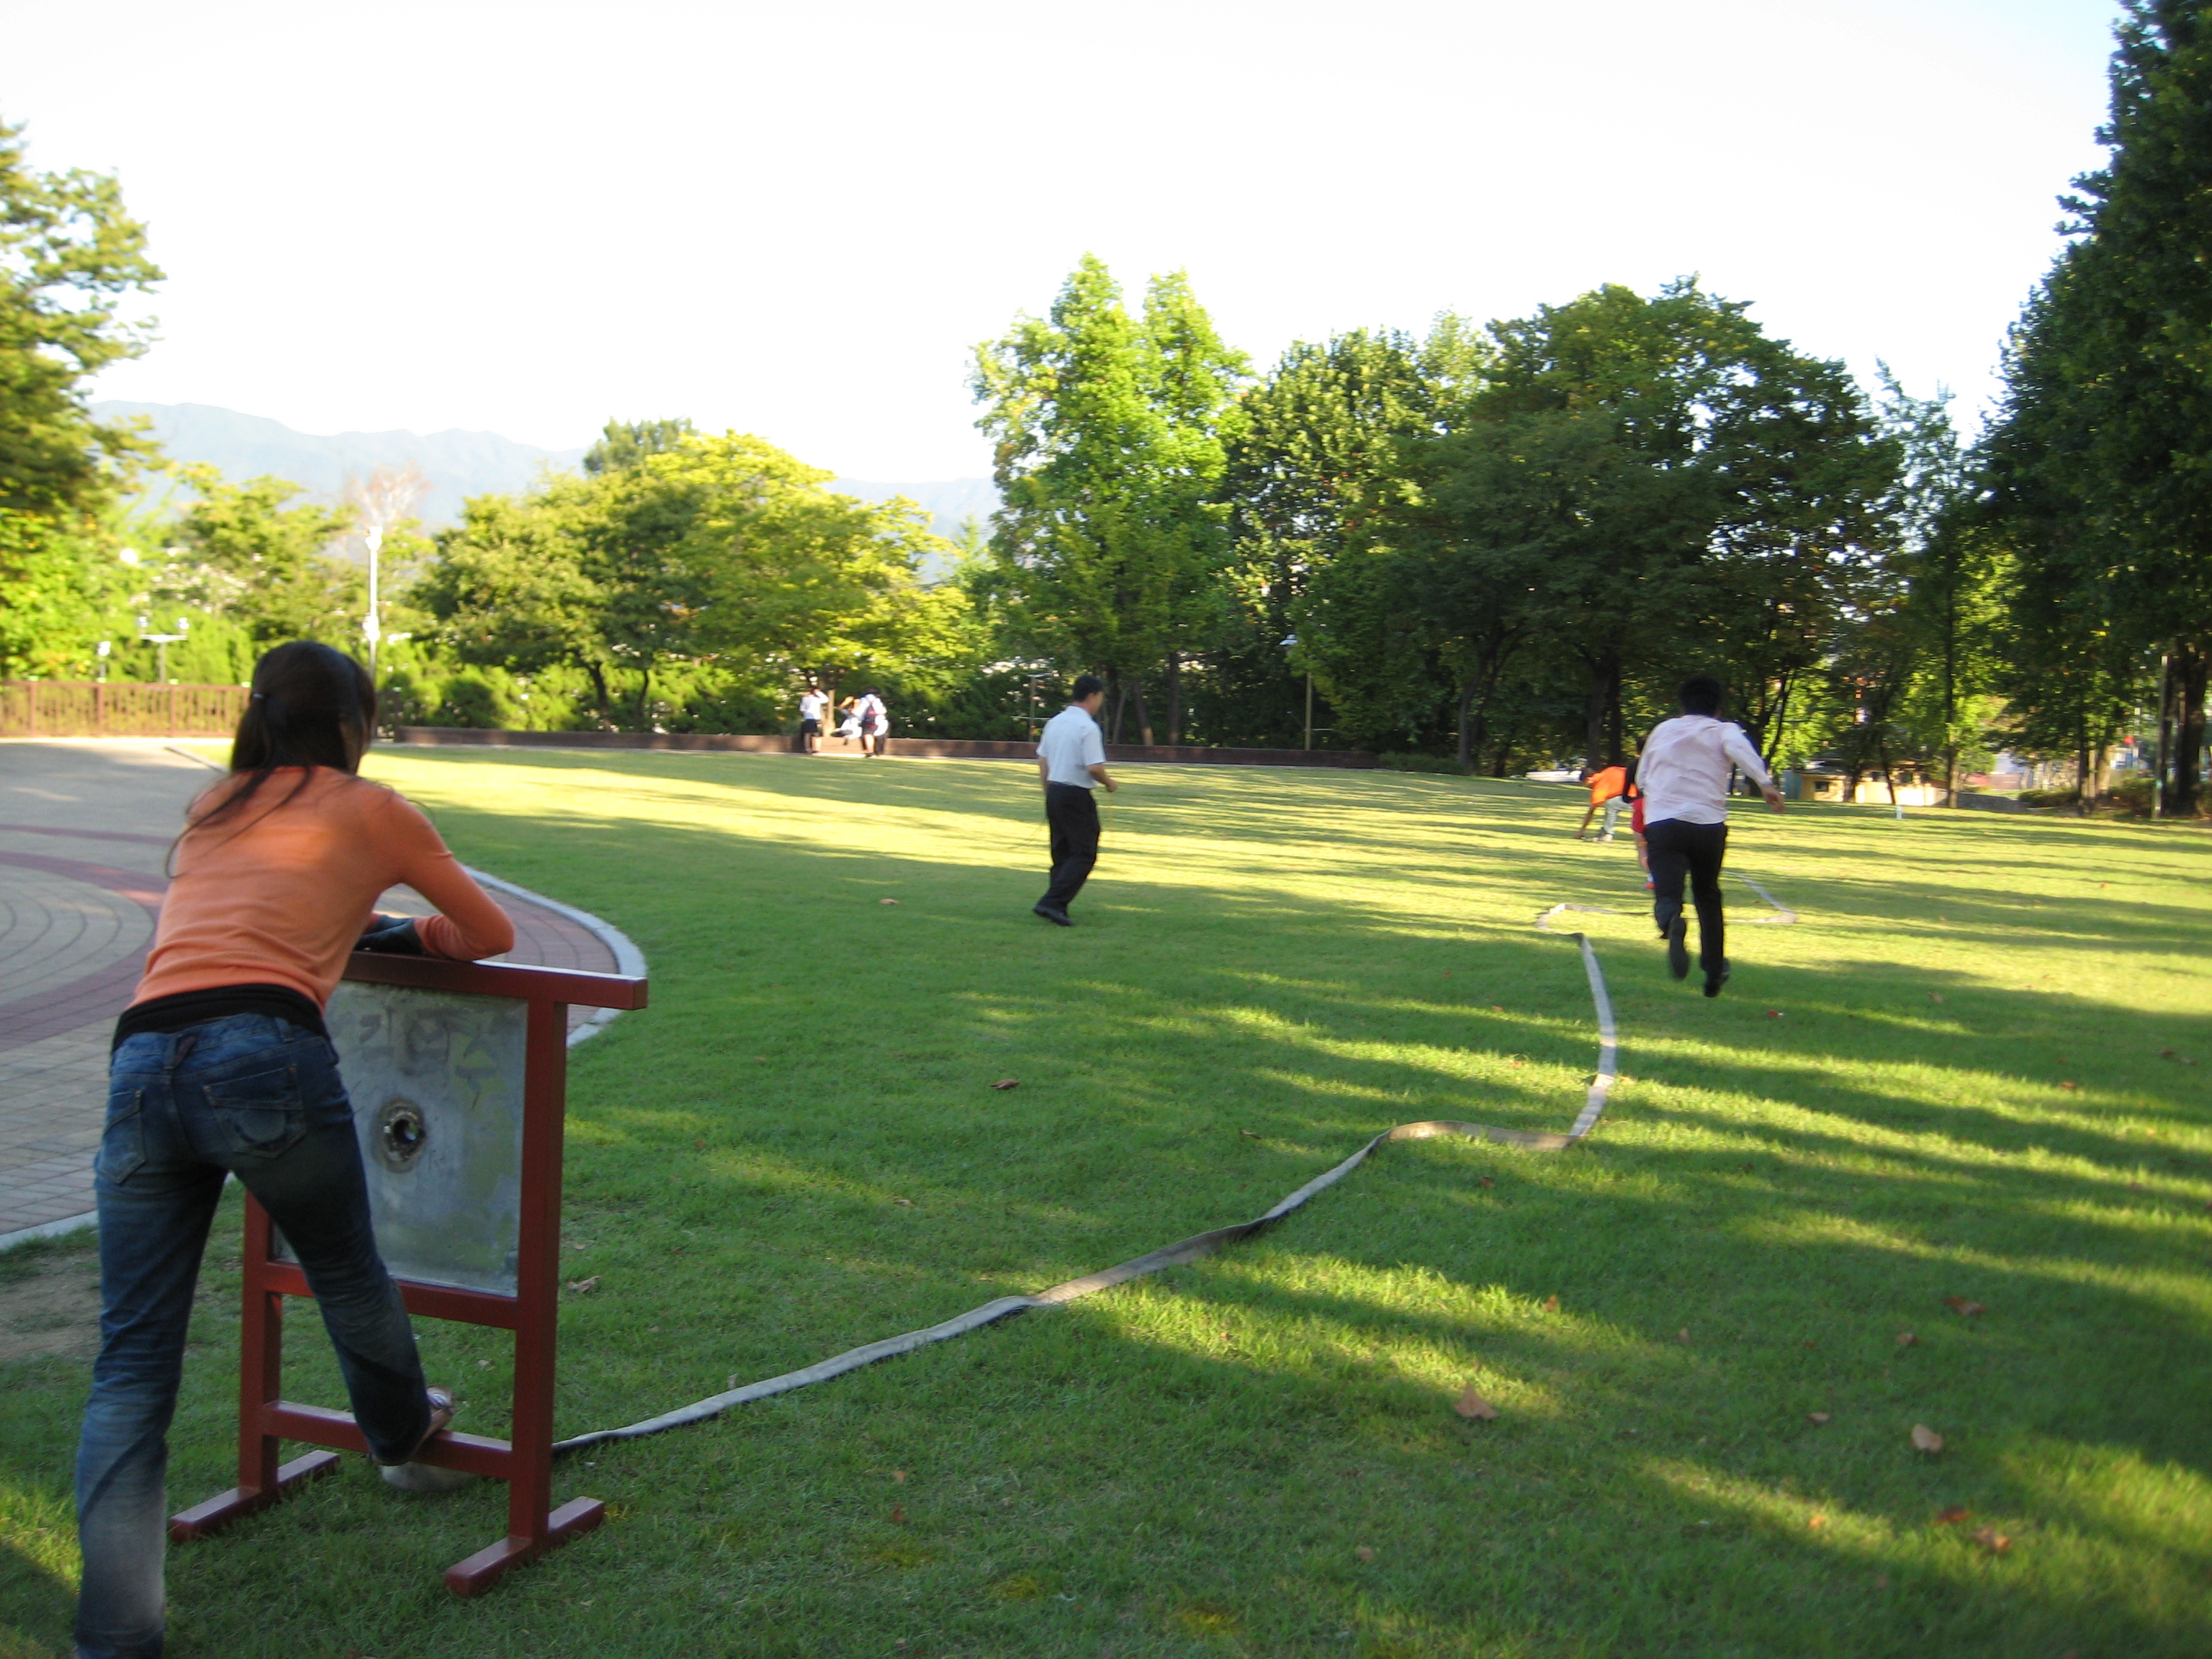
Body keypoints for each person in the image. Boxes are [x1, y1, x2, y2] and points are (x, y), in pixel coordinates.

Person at [74, 642, 515, 1659]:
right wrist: (400, 937)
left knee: (130, 1363)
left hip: (141, 1060)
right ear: (354, 722)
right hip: (264, 1056)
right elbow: (486, 932)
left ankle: (114, 1640)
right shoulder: (373, 809)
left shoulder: (215, 805)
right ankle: (402, 1439)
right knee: (347, 1272)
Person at [1637, 674, 1784, 997]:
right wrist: (1765, 784)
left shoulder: (1663, 729)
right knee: (1707, 894)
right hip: (1708, 825)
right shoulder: (1724, 730)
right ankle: (1714, 969)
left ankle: (1670, 919)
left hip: (1663, 822)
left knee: (1668, 891)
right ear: (1717, 709)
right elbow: (1741, 751)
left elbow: (1642, 777)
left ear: (1682, 706)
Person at [1032, 673, 1117, 925]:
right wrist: (1109, 783)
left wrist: (1048, 790)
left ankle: (1057, 906)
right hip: (1076, 794)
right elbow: (1094, 767)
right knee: (1084, 852)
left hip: (1055, 790)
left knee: (1062, 851)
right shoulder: (1087, 727)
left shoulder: (1055, 722)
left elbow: (1043, 760)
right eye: (1100, 697)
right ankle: (1052, 902)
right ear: (1093, 696)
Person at [1575, 760, 1632, 842]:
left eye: (1584, 784)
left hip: (1635, 796)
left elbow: (1591, 811)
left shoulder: (1599, 787)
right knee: (1614, 803)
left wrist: (1581, 831)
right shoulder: (1611, 770)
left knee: (1611, 804)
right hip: (1644, 793)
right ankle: (1603, 832)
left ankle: (1607, 834)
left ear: (1589, 779)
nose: (1586, 786)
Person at [856, 688, 889, 757]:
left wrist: (860, 720)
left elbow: (859, 712)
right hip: (878, 720)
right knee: (878, 735)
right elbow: (883, 711)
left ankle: (870, 751)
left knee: (868, 735)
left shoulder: (863, 700)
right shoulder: (877, 700)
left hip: (867, 720)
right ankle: (878, 751)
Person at [798, 683, 827, 755]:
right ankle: (817, 748)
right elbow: (826, 699)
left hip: (808, 718)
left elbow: (802, 709)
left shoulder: (805, 698)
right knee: (816, 734)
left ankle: (807, 748)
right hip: (815, 718)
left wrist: (806, 713)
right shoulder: (815, 699)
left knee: (807, 734)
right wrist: (819, 693)